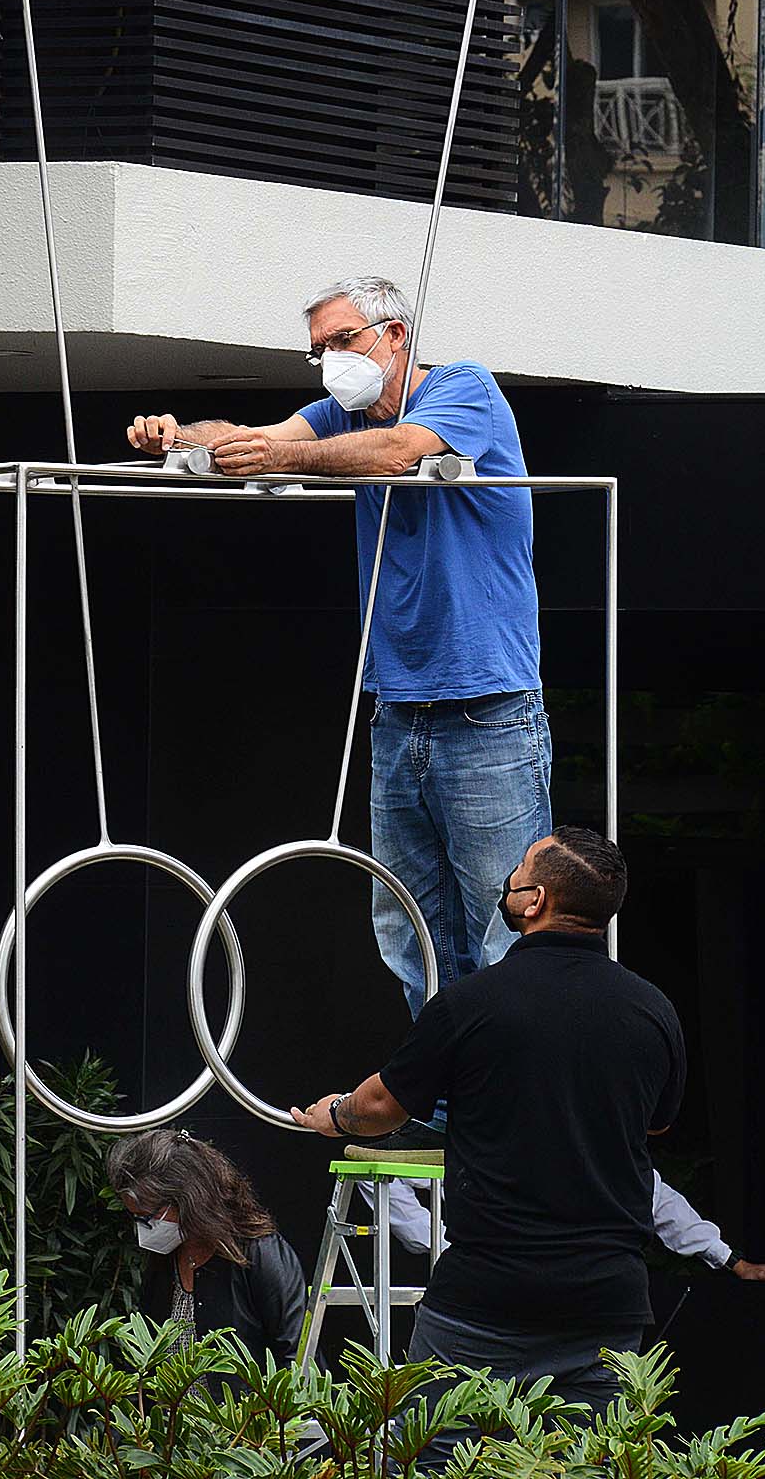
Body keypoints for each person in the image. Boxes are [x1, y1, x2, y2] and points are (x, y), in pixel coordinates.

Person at [128, 277, 549, 1056]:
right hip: (398, 706)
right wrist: (183, 435)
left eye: (343, 341)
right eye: (317, 349)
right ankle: (456, 1091)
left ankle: (518, 1103)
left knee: (510, 919)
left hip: (488, 706)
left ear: (394, 335)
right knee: (409, 921)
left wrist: (281, 453)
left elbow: (397, 453)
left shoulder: (464, 389)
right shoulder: (338, 416)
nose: (329, 362)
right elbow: (251, 434)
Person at [294, 827, 685, 1415]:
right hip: (607, 1300)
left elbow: (379, 1108)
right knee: (597, 1460)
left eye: (521, 869)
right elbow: (657, 1125)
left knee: (435, 1451)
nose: (509, 879)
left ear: (535, 901)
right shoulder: (653, 1010)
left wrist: (334, 1117)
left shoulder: (469, 1003)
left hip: (487, 1295)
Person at [370, 1171, 765, 1282]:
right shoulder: (482, 1119)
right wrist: (447, 1244)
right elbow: (376, 1171)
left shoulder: (590, 1126)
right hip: (494, 1298)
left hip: (579, 1305)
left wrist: (733, 1261)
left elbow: (656, 1198)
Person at [106, 1128, 305, 1368]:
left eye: (149, 1217)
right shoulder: (166, 1255)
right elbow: (144, 1348)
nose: (143, 1228)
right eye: (136, 1218)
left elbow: (297, 1355)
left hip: (249, 1405)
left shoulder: (257, 1252)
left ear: (188, 1200)